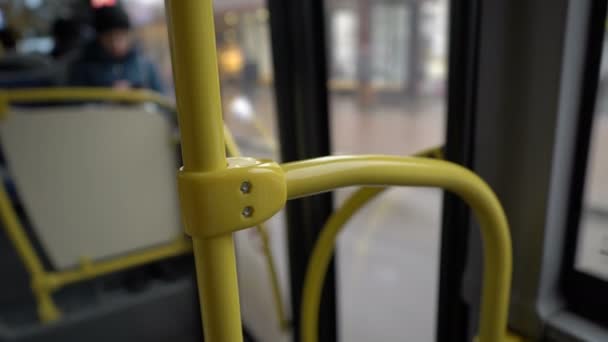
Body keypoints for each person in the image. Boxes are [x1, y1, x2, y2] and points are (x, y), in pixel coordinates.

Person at [69, 6, 163, 92]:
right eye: (109, 39)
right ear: (99, 39)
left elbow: (162, 99)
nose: (116, 45)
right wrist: (108, 97)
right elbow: (74, 104)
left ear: (129, 35)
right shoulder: (83, 67)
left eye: (121, 37)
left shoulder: (145, 66)